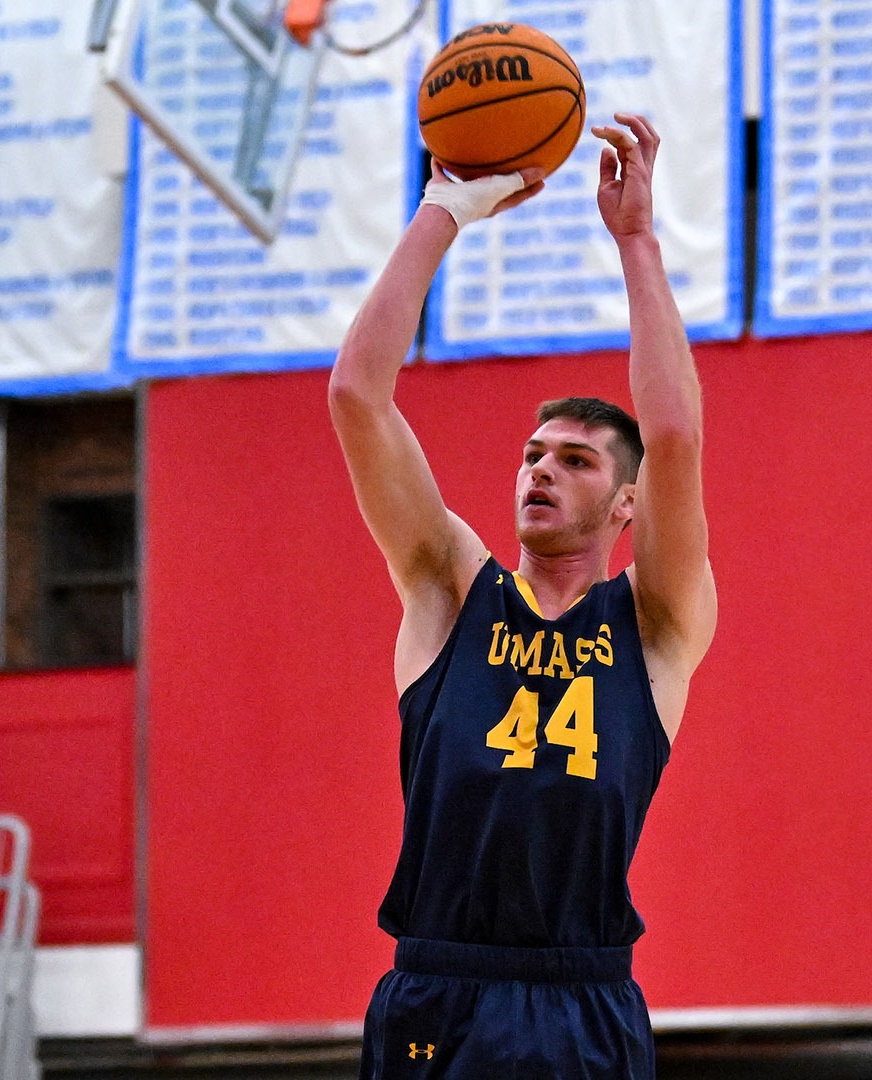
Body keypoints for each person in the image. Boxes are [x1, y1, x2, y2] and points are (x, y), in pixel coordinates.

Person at [330, 113, 716, 1078]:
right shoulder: (449, 589)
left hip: (583, 999)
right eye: (534, 454)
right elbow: (357, 394)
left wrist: (637, 240)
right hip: (437, 991)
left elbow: (674, 440)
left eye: (576, 461)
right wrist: (442, 208)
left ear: (627, 504)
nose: (541, 470)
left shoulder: (654, 624)